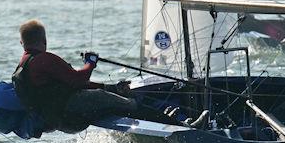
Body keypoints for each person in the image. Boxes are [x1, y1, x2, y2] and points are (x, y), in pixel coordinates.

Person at [12, 20, 183, 133]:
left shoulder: (23, 64)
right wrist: (91, 63)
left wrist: (110, 87)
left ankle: (167, 120)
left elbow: (71, 85)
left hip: (57, 117)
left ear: (22, 43)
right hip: (69, 110)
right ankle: (179, 126)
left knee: (114, 99)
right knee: (130, 103)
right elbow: (78, 80)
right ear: (44, 39)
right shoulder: (44, 59)